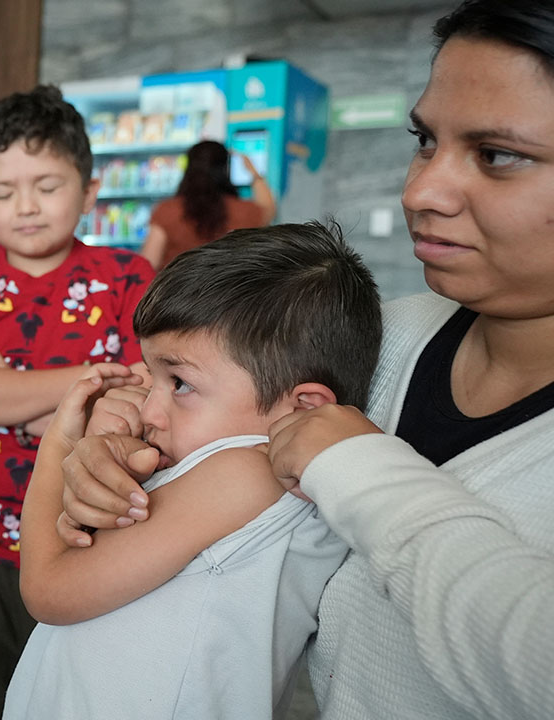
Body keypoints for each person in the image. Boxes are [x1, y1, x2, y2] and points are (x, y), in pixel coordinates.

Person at [59, 2, 554, 718]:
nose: (421, 192)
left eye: (499, 155)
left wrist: (359, 468)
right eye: (424, 140)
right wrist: (112, 440)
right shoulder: (387, 338)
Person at [4, 222, 381, 719]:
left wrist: (60, 443)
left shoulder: (247, 472)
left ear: (301, 410)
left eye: (179, 383)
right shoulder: (225, 464)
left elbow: (49, 589)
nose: (149, 410)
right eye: (150, 377)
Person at [0, 85, 155, 720]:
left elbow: (145, 406)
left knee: (75, 701)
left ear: (89, 189)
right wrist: (86, 388)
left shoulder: (130, 279)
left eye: (47, 186)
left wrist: (14, 396)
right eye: (3, 191)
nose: (25, 206)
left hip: (88, 540)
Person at [137, 140, 275, 270]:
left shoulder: (168, 211)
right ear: (225, 169)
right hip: (230, 294)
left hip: (179, 293)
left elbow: (148, 263)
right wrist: (253, 172)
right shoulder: (245, 211)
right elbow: (269, 209)